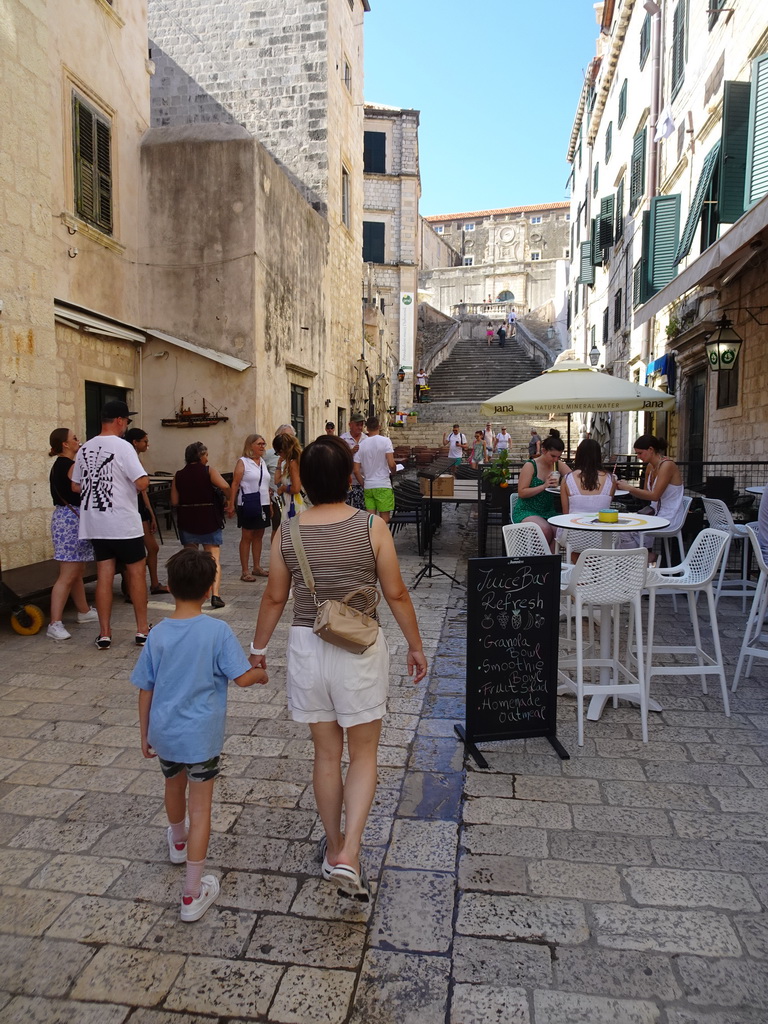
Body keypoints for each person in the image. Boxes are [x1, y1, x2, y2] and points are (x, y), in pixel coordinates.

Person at [247, 436, 427, 902]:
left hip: (309, 646)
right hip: (359, 645)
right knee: (363, 754)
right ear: (350, 476)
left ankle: (332, 848)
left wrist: (258, 649)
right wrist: (415, 646)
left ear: (303, 479)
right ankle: (350, 851)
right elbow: (397, 593)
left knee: (326, 754)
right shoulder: (372, 527)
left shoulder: (288, 531)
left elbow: (274, 596)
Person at [132, 548, 266, 922]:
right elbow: (241, 677)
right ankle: (192, 893)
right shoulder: (217, 631)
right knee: (201, 807)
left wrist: (144, 733)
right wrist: (261, 672)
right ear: (210, 589)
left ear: (170, 587)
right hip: (201, 738)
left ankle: (177, 842)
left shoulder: (157, 635)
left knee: (172, 786)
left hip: (166, 734)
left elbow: (145, 688)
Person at [71, 400, 150, 650]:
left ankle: (104, 633)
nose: (127, 425)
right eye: (126, 420)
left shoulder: (84, 449)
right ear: (118, 420)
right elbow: (141, 483)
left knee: (105, 577)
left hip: (97, 524)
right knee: (136, 574)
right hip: (123, 523)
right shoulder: (124, 447)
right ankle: (142, 629)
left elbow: (75, 485)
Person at [46, 428, 98, 640]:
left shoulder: (61, 465)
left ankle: (83, 610)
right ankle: (54, 623)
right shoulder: (69, 465)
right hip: (70, 521)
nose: (79, 441)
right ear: (65, 444)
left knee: (76, 569)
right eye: (74, 438)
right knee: (68, 573)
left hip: (68, 518)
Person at [172, 441, 231, 608]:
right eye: (205, 455)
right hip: (208, 518)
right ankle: (215, 594)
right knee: (213, 558)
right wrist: (228, 498)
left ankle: (190, 592)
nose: (207, 458)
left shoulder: (179, 474)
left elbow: (174, 500)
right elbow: (225, 485)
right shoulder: (208, 470)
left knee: (189, 559)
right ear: (200, 456)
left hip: (188, 519)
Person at [622, 434, 686, 558]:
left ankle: (645, 559)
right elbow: (646, 493)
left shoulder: (667, 465)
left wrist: (629, 488)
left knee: (624, 531)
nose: (638, 457)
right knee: (620, 529)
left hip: (669, 517)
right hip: (654, 514)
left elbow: (654, 496)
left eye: (640, 453)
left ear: (651, 450)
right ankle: (642, 558)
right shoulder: (651, 467)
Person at [125, 429, 169, 596]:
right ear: (135, 442)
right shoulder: (130, 459)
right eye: (144, 441)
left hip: (140, 507)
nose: (147, 444)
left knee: (152, 548)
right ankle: (137, 587)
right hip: (133, 508)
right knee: (142, 549)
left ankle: (153, 583)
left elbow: (144, 491)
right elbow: (142, 488)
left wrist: (151, 513)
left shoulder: (135, 459)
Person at [558, 439, 617, 558]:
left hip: (575, 535)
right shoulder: (611, 479)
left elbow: (566, 513)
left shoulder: (567, 478)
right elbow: (607, 505)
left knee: (573, 542)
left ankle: (581, 572)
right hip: (603, 536)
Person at [513, 434, 571, 550]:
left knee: (561, 531)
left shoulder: (557, 464)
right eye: (553, 456)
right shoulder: (530, 465)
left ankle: (549, 562)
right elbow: (522, 492)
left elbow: (573, 479)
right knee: (544, 529)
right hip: (526, 510)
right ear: (544, 451)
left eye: (558, 457)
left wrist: (562, 484)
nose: (555, 460)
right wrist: (544, 486)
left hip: (548, 511)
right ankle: (542, 562)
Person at [228, 434, 272, 580]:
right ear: (250, 445)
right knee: (247, 536)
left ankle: (257, 566)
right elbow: (235, 483)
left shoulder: (262, 463)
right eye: (259, 444)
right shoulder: (243, 462)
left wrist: (270, 504)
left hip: (263, 502)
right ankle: (245, 570)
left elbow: (265, 485)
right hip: (248, 503)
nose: (262, 447)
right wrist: (231, 504)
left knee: (259, 535)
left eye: (263, 444)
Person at [354, 416, 395, 522]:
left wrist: (364, 483)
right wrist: (393, 472)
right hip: (383, 484)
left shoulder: (361, 445)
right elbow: (391, 464)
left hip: (369, 486)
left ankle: (372, 538)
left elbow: (356, 470)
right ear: (379, 426)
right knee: (384, 519)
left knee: (371, 520)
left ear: (366, 428)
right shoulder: (386, 441)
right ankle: (382, 538)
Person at [274, 432, 305, 517]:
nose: (279, 455)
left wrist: (283, 488)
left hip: (295, 504)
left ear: (282, 451)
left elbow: (296, 488)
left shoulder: (293, 463)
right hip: (291, 503)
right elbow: (277, 481)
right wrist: (279, 464)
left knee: (293, 529)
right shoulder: (290, 463)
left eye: (278, 453)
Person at [341, 414, 367, 509]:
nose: (360, 428)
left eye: (361, 425)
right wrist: (351, 452)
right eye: (357, 425)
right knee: (345, 509)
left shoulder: (366, 439)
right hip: (347, 481)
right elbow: (339, 458)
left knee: (361, 510)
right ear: (350, 424)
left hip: (362, 480)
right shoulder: (343, 439)